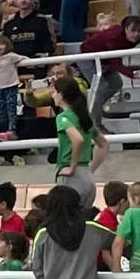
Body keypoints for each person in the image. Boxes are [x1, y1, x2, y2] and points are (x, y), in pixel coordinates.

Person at [51, 74, 105, 204]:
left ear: (61, 94)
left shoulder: (63, 117)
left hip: (71, 178)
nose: (52, 95)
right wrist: (91, 169)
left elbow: (77, 139)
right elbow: (103, 144)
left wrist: (72, 166)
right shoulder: (84, 117)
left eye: (54, 92)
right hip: (87, 176)